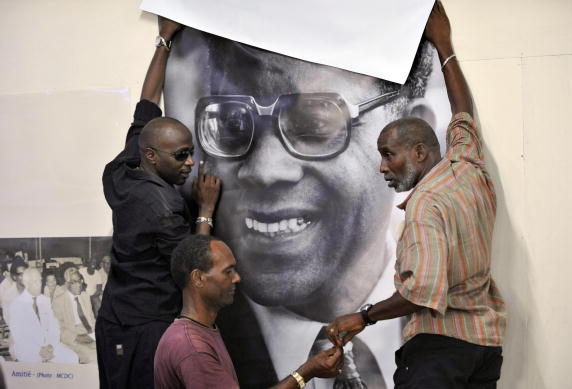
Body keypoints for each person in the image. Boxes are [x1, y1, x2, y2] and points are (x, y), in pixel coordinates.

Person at [163, 13, 443, 389]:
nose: (264, 169)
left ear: (411, 142)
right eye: (232, 123)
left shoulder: (446, 303)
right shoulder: (194, 340)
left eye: (315, 123)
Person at [325, 3, 507, 388]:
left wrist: (364, 317)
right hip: (484, 349)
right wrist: (444, 45)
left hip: (438, 354)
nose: (382, 167)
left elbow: (422, 293)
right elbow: (463, 115)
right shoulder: (467, 167)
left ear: (420, 153)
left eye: (388, 154)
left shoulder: (425, 205)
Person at [95, 16, 222, 389]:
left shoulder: (124, 166)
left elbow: (147, 102)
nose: (190, 163)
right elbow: (195, 264)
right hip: (144, 327)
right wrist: (205, 209)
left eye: (191, 153)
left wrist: (164, 39)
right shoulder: (162, 207)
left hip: (116, 318)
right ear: (153, 156)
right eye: (181, 156)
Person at [154, 235, 343, 389]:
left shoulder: (197, 331)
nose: (237, 278)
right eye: (228, 272)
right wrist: (306, 372)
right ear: (198, 278)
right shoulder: (193, 348)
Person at [7, 268, 77, 363]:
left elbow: (54, 326)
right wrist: (39, 350)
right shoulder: (16, 305)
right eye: (35, 282)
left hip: (49, 345)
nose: (39, 284)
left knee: (72, 358)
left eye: (40, 280)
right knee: (38, 366)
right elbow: (20, 337)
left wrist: (51, 345)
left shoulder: (45, 300)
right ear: (26, 284)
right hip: (28, 348)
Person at [52, 270, 97, 363]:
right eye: (74, 282)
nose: (79, 284)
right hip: (74, 336)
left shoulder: (85, 296)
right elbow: (58, 329)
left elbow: (92, 320)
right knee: (94, 356)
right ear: (67, 284)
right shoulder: (59, 301)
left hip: (90, 333)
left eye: (80, 280)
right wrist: (76, 337)